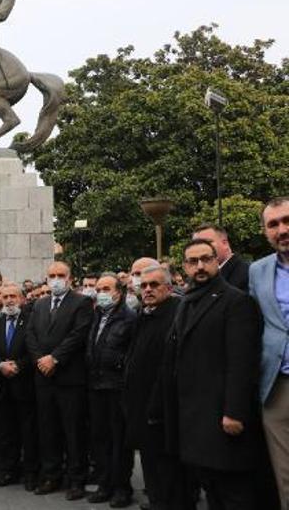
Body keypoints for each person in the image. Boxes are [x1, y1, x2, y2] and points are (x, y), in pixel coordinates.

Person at [165, 239, 260, 508]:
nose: (200, 266)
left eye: (206, 259)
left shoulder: (236, 301)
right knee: (212, 492)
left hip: (222, 417)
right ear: (185, 267)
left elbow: (242, 362)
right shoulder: (186, 302)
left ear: (217, 260)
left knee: (234, 493)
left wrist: (235, 411)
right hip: (194, 419)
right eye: (193, 262)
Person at [25, 261, 93, 500]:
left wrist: (55, 358)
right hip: (43, 379)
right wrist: (39, 360)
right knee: (48, 430)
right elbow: (30, 335)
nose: (55, 279)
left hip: (69, 379)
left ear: (69, 278)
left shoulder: (82, 303)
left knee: (73, 432)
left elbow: (78, 335)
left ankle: (77, 479)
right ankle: (51, 475)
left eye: (60, 275)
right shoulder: (39, 304)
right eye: (51, 275)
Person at [125, 265, 190, 510]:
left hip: (164, 405)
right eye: (144, 286)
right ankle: (158, 501)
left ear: (169, 287)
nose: (148, 290)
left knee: (169, 466)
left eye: (154, 285)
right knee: (151, 461)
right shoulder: (144, 313)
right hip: (141, 403)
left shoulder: (177, 312)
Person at [249, 197, 289, 507]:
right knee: (284, 473)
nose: (282, 229)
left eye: (287, 220)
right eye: (273, 224)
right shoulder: (258, 270)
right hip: (277, 386)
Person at [85, 273, 135, 507]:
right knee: (100, 439)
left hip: (117, 389)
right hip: (96, 387)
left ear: (118, 292)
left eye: (106, 288)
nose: (101, 293)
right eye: (99, 289)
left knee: (119, 441)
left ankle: (122, 488)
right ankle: (105, 485)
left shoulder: (129, 318)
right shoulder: (96, 315)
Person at [0, 282, 37, 489]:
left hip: (24, 385)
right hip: (2, 386)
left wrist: (19, 366)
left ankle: (30, 473)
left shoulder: (31, 321)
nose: (9, 300)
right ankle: (7, 471)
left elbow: (34, 349)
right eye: (6, 297)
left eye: (13, 296)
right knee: (5, 432)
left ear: (22, 299)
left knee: (28, 432)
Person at [193, 223, 250, 291]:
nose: (201, 248)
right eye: (196, 245)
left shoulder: (248, 274)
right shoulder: (197, 279)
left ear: (225, 243)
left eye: (207, 242)